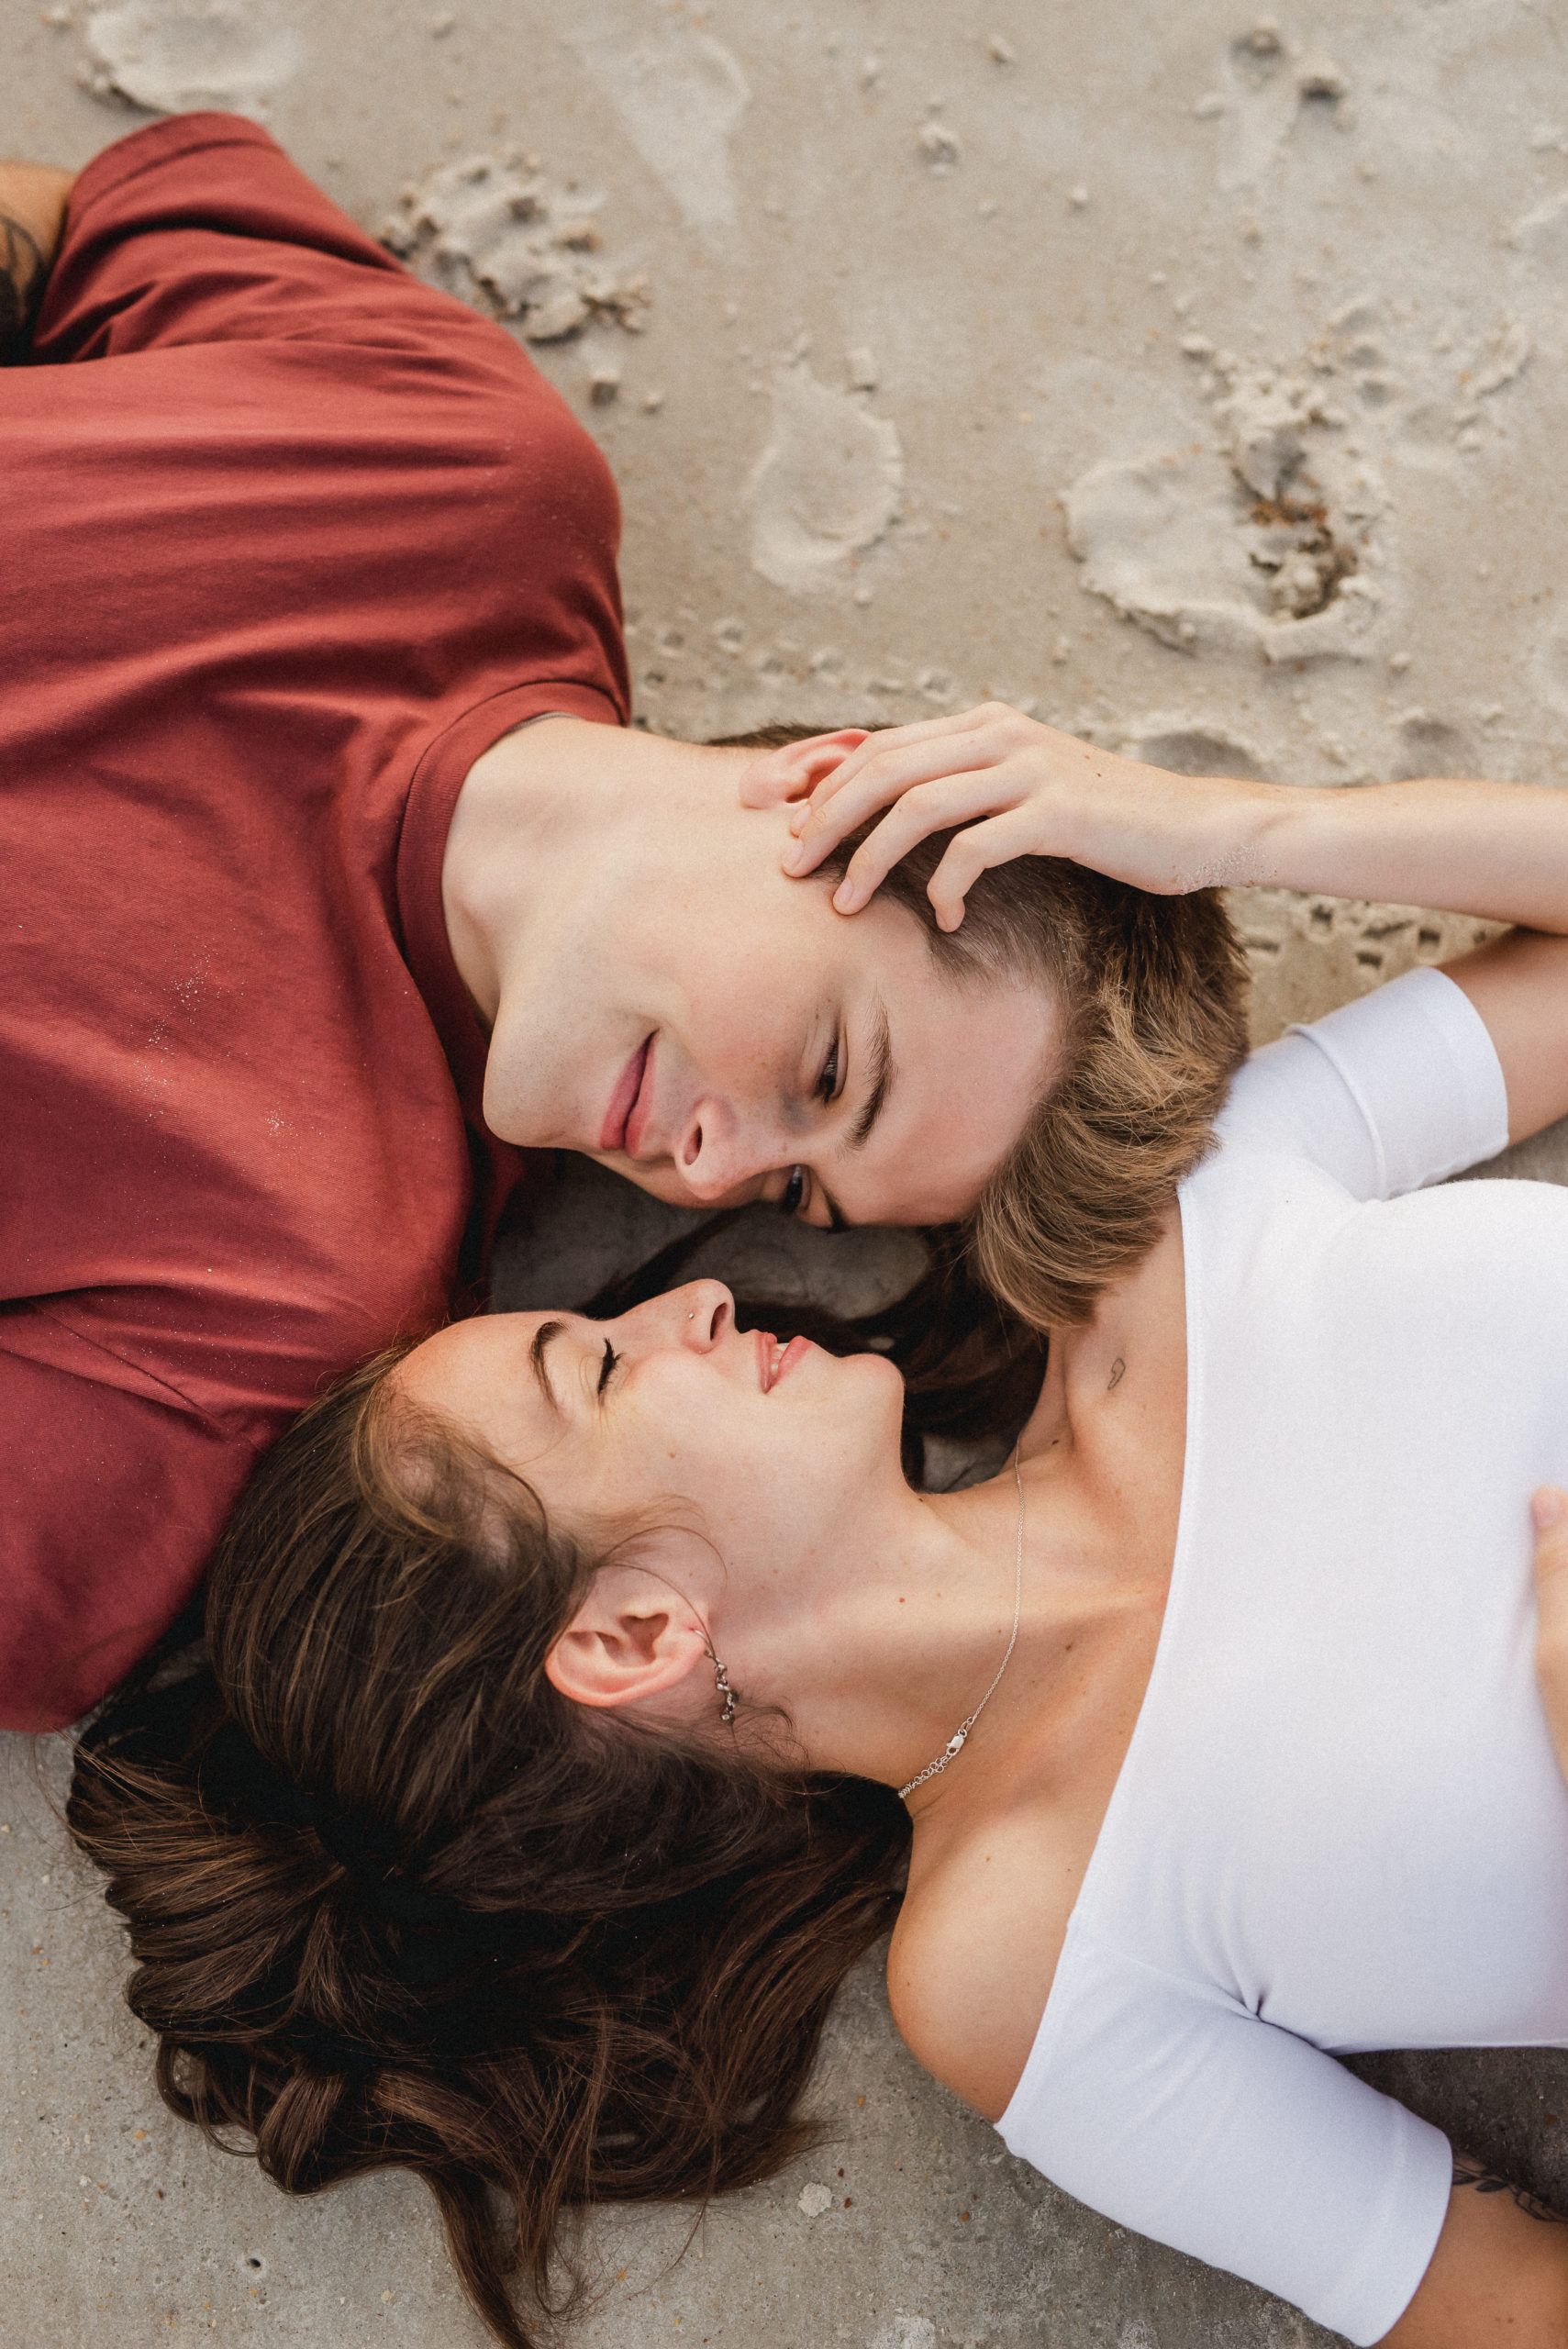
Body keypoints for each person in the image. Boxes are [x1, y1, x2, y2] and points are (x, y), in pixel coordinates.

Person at [66, 745, 1568, 2348]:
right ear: (628, 1636)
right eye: (599, 1364)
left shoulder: (1171, 1228)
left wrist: (1240, 826)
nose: (697, 1293)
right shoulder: (1021, 1970)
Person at [0, 115, 1244, 1729]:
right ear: (846, 792)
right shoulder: (464, 474)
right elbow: (81, 215)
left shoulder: (290, 1288)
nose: (710, 1171)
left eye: (799, 1186)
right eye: (823, 1071)